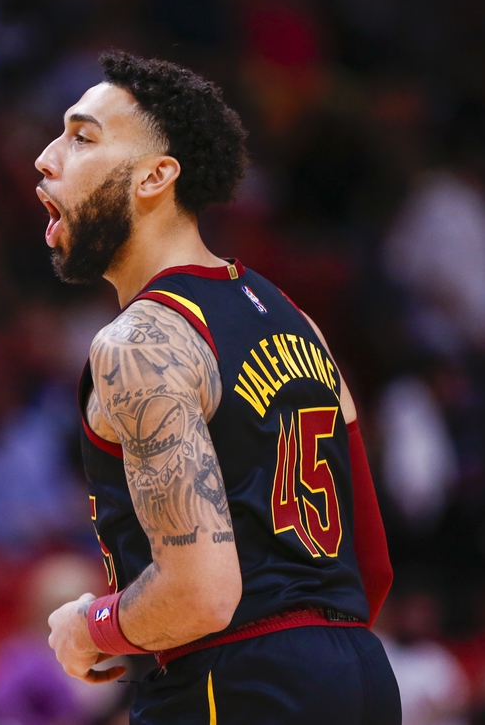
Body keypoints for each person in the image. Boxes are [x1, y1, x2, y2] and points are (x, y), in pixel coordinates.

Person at [37, 51, 399, 724]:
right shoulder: (300, 321)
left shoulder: (142, 342)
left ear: (155, 176)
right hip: (361, 674)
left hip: (235, 681)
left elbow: (200, 593)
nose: (46, 157)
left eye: (82, 136)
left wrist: (94, 625)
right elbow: (371, 565)